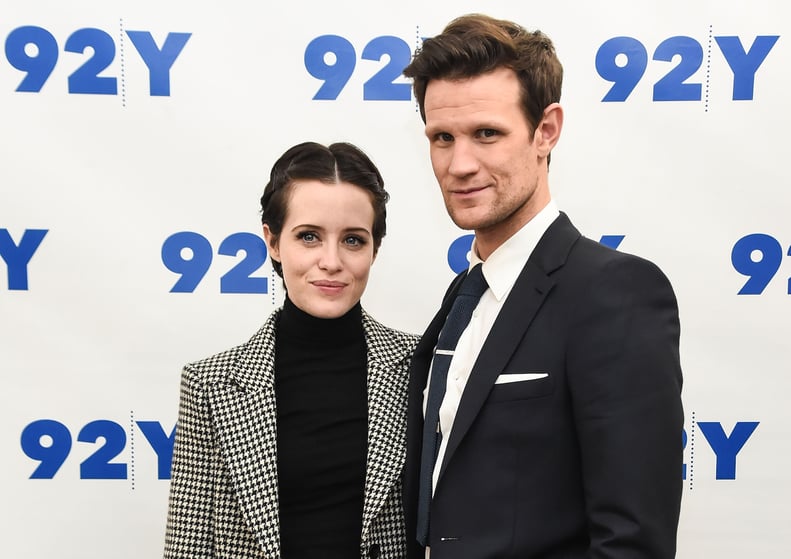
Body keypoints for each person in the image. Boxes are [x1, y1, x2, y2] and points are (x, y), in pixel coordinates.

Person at [401, 14, 683, 559]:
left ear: (546, 130)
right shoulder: (460, 300)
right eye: (442, 138)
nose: (460, 164)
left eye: (487, 133)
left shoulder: (614, 293)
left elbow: (632, 542)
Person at [164, 141, 419, 559]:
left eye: (353, 240)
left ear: (375, 248)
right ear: (274, 242)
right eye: (309, 237)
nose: (331, 261)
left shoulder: (419, 367)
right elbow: (188, 546)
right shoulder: (210, 384)